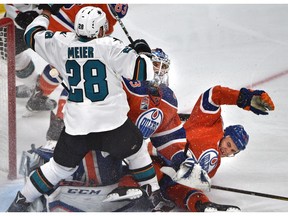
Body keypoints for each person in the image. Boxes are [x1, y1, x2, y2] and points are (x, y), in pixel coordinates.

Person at [7, 5, 168, 212]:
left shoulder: (61, 43)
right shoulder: (110, 45)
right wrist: (142, 51)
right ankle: (154, 194)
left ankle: (21, 200)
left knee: (57, 168)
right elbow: (143, 70)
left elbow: (31, 35)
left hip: (78, 127)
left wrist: (44, 15)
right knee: (137, 153)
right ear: (100, 30)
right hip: (113, 126)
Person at [25, 4, 128, 113]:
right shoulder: (113, 9)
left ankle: (39, 95)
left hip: (52, 17)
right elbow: (105, 28)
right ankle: (58, 117)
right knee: (78, 68)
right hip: (67, 26)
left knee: (62, 64)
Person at [3, 4, 56, 111]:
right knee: (9, 53)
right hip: (16, 23)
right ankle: (35, 87)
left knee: (62, 58)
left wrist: (40, 12)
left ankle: (40, 94)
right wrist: (17, 15)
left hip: (50, 20)